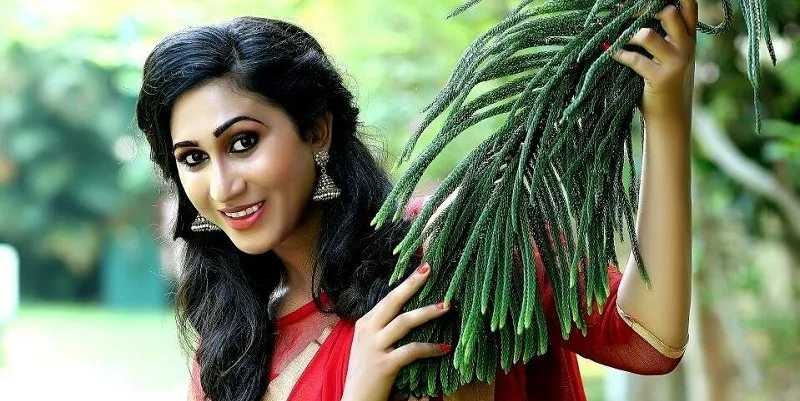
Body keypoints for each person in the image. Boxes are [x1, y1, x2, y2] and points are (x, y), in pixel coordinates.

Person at [135, 0, 696, 399]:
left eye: (243, 143)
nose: (223, 186)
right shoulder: (229, 353)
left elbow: (649, 339)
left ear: (317, 131)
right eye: (193, 158)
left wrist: (667, 112)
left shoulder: (452, 245)